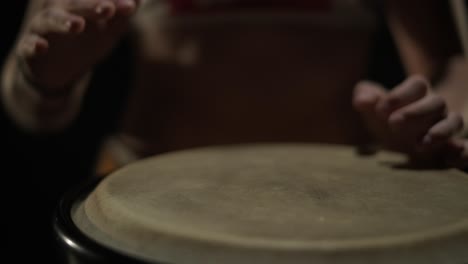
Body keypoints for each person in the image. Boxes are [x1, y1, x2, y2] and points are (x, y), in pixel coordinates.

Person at [0, 0, 467, 261]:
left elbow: (447, 67)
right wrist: (46, 77)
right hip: (135, 208)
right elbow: (30, 108)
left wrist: (434, 121)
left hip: (341, 219)